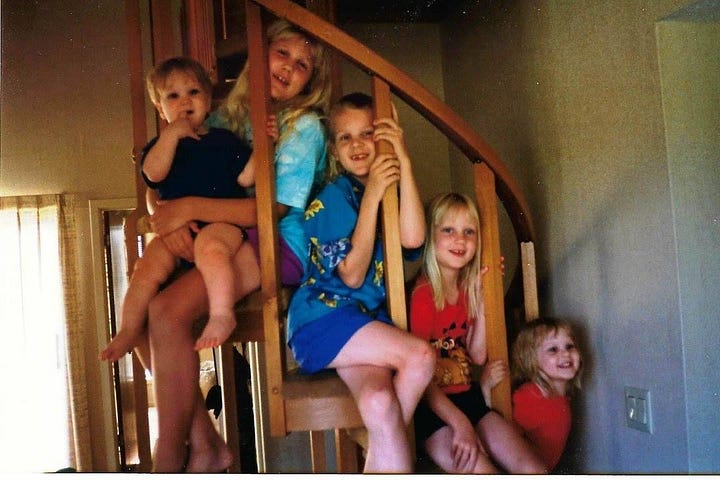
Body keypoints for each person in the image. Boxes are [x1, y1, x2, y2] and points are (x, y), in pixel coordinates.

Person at [134, 19, 332, 472]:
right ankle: (206, 443)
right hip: (218, 235)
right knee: (142, 312)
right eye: (283, 52)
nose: (290, 66)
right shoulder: (221, 116)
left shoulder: (303, 126)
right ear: (260, 53)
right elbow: (163, 177)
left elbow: (270, 210)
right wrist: (165, 217)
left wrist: (187, 208)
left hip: (274, 242)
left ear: (311, 82)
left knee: (166, 312)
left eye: (303, 65)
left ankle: (169, 457)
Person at [286, 92, 435, 473]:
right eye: (345, 137)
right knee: (420, 357)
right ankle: (384, 450)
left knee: (380, 403)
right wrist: (371, 197)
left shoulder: (389, 192)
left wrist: (403, 159)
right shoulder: (331, 197)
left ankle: (377, 457)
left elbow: (413, 239)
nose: (357, 145)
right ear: (335, 151)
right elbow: (351, 275)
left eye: (367, 133)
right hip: (322, 319)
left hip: (361, 322)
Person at [99, 57, 253, 362]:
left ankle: (222, 314)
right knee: (145, 269)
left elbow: (247, 178)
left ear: (208, 99)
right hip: (175, 231)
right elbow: (153, 175)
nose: (185, 101)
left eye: (193, 92)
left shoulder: (224, 141)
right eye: (173, 96)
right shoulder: (159, 146)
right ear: (160, 109)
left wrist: (264, 149)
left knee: (212, 250)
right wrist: (171, 135)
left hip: (219, 225)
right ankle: (128, 329)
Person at [409, 192, 546, 474]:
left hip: (468, 398)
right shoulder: (423, 295)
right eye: (448, 230)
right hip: (431, 408)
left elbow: (478, 355)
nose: (460, 239)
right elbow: (420, 380)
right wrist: (460, 424)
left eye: (469, 232)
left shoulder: (466, 290)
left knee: (533, 469)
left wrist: (482, 297)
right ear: (430, 236)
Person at [510, 317, 583, 471]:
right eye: (553, 349)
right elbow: (509, 438)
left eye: (569, 346)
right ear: (531, 360)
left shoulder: (560, 396)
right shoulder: (531, 396)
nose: (566, 353)